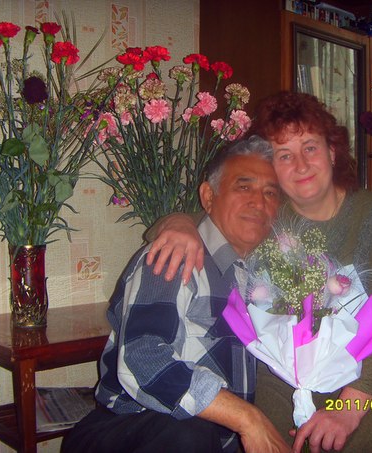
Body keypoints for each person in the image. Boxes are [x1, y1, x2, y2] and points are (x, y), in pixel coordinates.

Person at [145, 91, 372, 453]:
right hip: (281, 382)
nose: (300, 165)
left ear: (332, 152)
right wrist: (179, 224)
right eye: (284, 155)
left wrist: (349, 407)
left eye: (310, 148)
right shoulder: (266, 217)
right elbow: (194, 220)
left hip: (365, 380)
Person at [61, 136, 290, 453]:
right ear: (208, 196)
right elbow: (143, 359)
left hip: (218, 442)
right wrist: (248, 419)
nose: (259, 202)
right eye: (244, 187)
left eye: (270, 193)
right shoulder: (176, 256)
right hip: (137, 432)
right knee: (188, 432)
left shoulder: (264, 276)